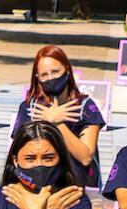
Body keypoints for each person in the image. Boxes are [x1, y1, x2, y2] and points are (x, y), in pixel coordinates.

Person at [12, 46, 105, 188]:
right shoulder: (29, 108)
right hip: (37, 186)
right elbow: (17, 153)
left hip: (77, 186)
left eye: (55, 71)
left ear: (67, 69)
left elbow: (86, 157)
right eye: (44, 75)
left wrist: (57, 123)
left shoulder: (85, 107)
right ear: (37, 78)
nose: (51, 78)